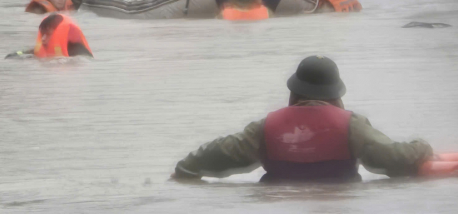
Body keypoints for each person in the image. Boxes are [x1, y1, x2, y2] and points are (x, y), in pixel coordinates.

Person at [174, 56, 432, 181]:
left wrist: (184, 169)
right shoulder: (352, 127)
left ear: (294, 92)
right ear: (336, 96)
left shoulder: (265, 128)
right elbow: (396, 157)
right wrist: (422, 147)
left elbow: (216, 154)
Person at [6, 13, 93, 59]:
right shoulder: (42, 48)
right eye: (42, 35)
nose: (43, 39)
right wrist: (17, 54)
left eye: (48, 34)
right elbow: (27, 53)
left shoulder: (79, 52)